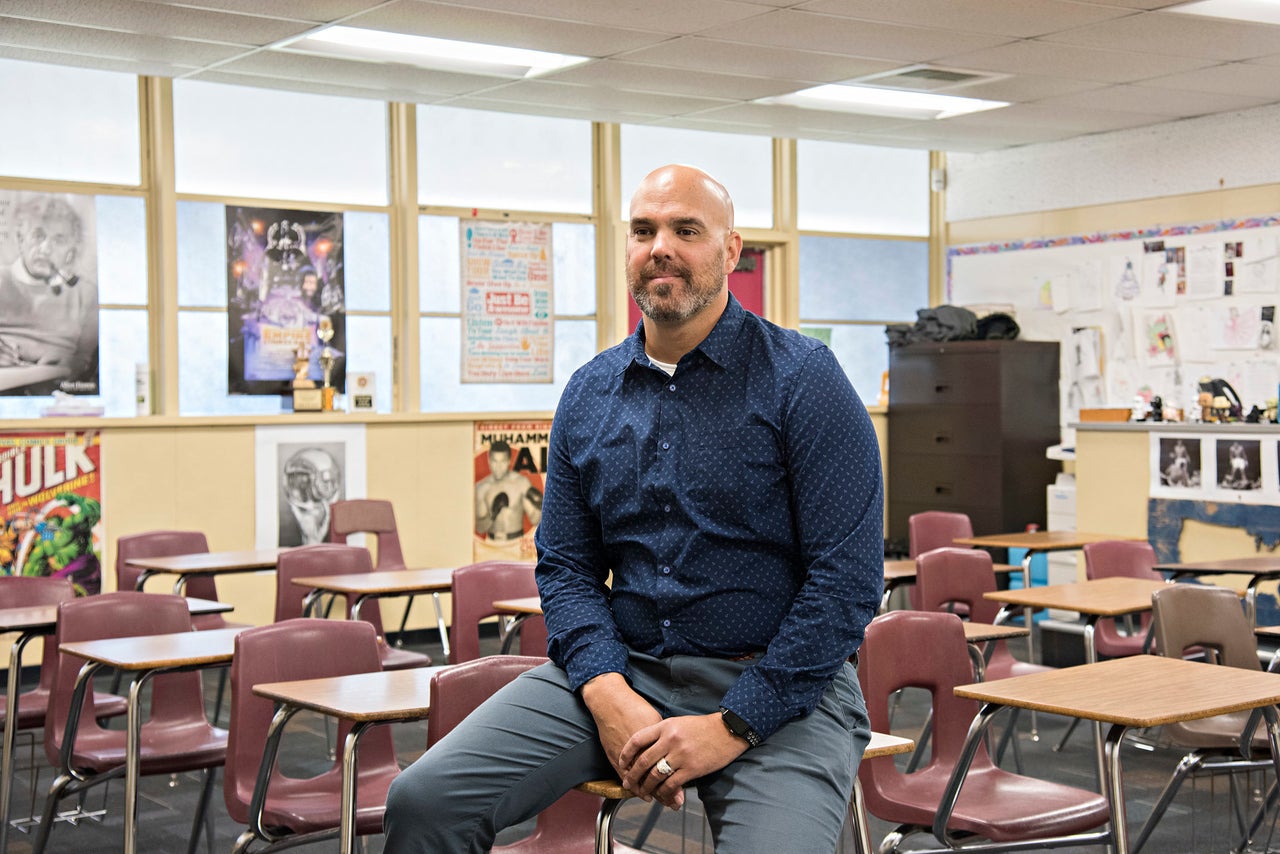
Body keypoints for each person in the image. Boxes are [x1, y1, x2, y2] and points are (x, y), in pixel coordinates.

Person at [384, 165, 883, 853]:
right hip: (629, 666)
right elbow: (564, 567)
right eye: (644, 230)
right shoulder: (590, 394)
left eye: (686, 230)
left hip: (779, 683)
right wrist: (605, 690)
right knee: (422, 801)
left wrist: (733, 723)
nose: (660, 248)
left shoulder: (803, 379)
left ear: (732, 251)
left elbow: (847, 583)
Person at [0, 195, 99, 391]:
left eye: (58, 240)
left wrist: (69, 364)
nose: (45, 249)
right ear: (21, 240)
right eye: (38, 236)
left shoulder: (86, 293)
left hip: (60, 389)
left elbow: (83, 361)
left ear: (70, 249)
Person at [474, 440, 543, 541]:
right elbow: (480, 528)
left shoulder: (521, 483)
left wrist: (541, 506)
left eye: (502, 461)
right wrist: (493, 514)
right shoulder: (481, 487)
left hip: (517, 543)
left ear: (509, 461)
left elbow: (535, 520)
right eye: (495, 461)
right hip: (492, 544)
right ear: (489, 460)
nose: (498, 467)